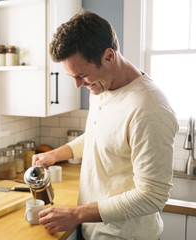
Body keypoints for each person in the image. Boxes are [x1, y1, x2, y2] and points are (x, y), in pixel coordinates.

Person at [32, 11, 179, 240]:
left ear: (108, 56)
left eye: (81, 75)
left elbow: (152, 196)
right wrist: (54, 155)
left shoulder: (149, 109)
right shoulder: (102, 85)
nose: (77, 85)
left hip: (123, 236)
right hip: (92, 228)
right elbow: (99, 135)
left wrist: (76, 214)